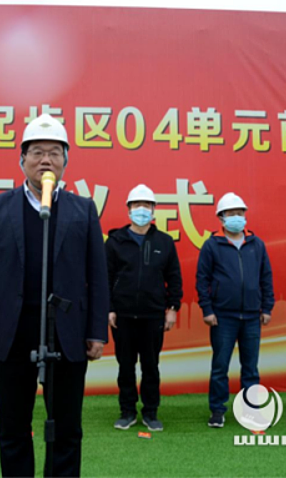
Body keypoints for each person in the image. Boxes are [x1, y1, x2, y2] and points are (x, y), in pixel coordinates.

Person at [0, 114, 109, 477]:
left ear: (66, 161)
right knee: (13, 427)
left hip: (67, 331)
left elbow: (97, 276)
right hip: (13, 331)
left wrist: (96, 331)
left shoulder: (83, 209)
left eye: (54, 153)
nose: (45, 160)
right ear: (22, 160)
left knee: (66, 428)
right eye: (36, 152)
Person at [106, 184, 182, 431]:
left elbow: (174, 277)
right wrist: (109, 308)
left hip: (153, 314)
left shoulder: (164, 242)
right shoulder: (115, 241)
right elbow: (106, 277)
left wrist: (173, 307)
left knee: (151, 366)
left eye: (146, 205)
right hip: (123, 314)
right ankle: (127, 411)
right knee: (125, 366)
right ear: (128, 210)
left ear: (153, 210)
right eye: (137, 205)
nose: (141, 210)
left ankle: (151, 412)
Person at [196, 192, 274, 428]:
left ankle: (250, 411)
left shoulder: (256, 244)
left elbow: (266, 277)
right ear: (221, 218)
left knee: (250, 368)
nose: (237, 217)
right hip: (222, 317)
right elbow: (202, 279)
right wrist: (207, 309)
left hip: (251, 316)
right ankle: (217, 410)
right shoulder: (212, 245)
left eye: (240, 213)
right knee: (220, 367)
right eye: (231, 214)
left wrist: (267, 307)